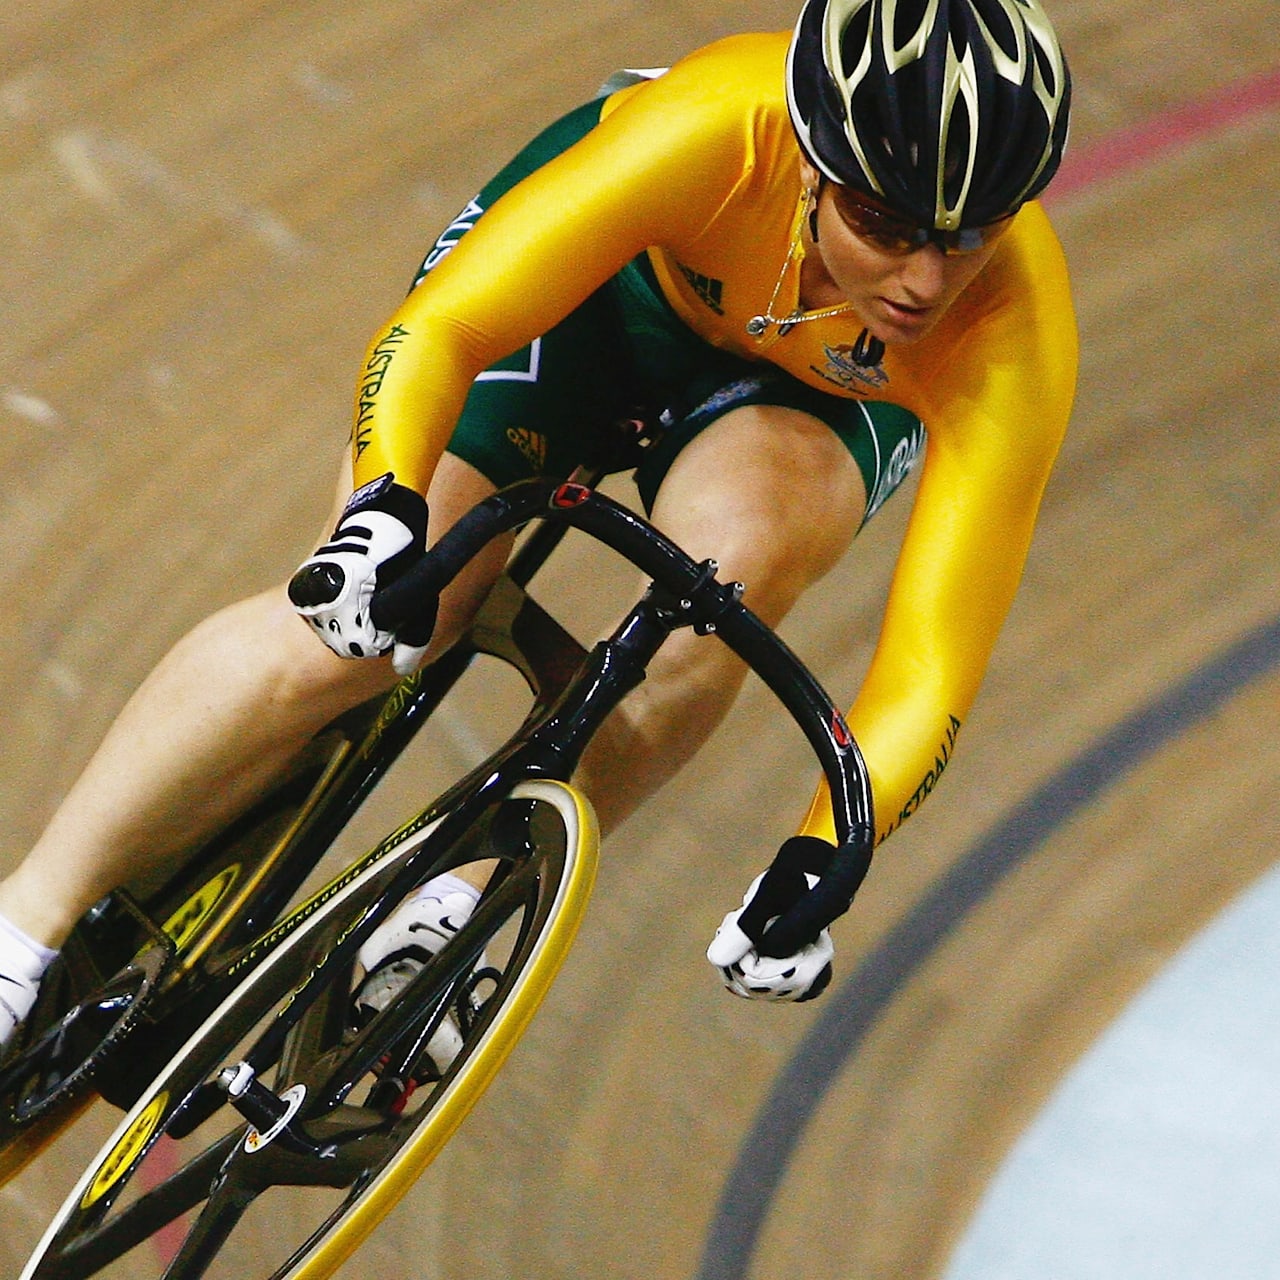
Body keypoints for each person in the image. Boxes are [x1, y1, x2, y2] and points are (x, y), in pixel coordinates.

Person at [0, 0, 1076, 1046]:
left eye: (967, 235)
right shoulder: (707, 129)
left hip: (805, 407)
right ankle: (25, 916)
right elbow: (448, 324)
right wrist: (379, 506)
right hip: (607, 299)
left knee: (725, 593)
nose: (925, 280)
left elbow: (934, 661)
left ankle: (459, 904)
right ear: (809, 164)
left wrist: (827, 843)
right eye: (885, 226)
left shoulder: (1013, 331)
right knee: (367, 622)